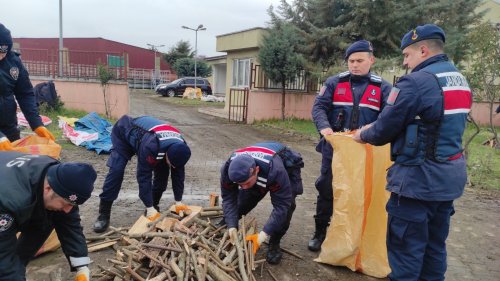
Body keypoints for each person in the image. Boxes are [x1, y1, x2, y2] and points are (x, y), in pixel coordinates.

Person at [353, 24, 472, 280]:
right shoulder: (459, 80)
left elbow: (384, 128)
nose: (406, 63)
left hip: (417, 181)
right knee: (434, 248)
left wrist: (361, 135)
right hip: (448, 180)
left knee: (406, 251)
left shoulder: (416, 82)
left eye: (407, 55)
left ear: (424, 50)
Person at [309, 39, 392, 251]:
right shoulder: (334, 83)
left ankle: (355, 237)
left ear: (371, 60)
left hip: (365, 151)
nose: (354, 65)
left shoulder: (382, 87)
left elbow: (389, 116)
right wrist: (324, 127)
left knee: (358, 193)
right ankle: (320, 233)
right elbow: (319, 107)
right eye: (351, 61)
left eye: (359, 60)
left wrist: (370, 131)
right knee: (327, 189)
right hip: (334, 149)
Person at [0, 151, 97, 281]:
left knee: (51, 215)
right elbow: (3, 255)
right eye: (66, 203)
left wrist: (82, 267)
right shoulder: (10, 203)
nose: (68, 210)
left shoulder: (60, 177)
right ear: (48, 189)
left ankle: (19, 267)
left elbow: (69, 223)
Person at [93, 115, 191, 233]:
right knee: (116, 171)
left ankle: (154, 205)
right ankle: (103, 214)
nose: (173, 168)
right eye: (172, 163)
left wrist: (178, 201)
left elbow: (178, 175)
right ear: (168, 155)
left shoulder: (181, 148)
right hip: (124, 134)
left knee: (162, 175)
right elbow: (144, 177)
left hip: (148, 140)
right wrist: (148, 207)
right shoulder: (152, 146)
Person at [220, 142, 304, 264]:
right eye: (239, 184)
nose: (243, 187)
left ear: (256, 170)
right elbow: (228, 198)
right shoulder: (228, 169)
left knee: (287, 206)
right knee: (243, 200)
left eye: (246, 183)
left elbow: (281, 206)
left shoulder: (276, 171)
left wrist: (263, 235)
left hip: (286, 166)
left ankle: (274, 242)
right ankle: (229, 223)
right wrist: (232, 225)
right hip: (260, 171)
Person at [0, 23, 54, 150]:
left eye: (4, 51)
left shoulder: (13, 61)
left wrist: (36, 124)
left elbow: (24, 93)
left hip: (9, 127)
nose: (1, 55)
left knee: (13, 165)